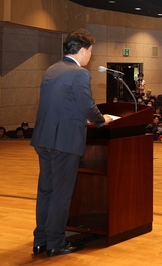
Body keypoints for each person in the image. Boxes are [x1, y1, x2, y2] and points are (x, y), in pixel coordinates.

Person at [31, 29, 113, 257]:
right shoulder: (79, 73)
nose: (91, 56)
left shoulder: (52, 69)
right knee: (61, 193)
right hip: (64, 140)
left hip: (44, 138)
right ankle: (56, 243)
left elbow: (61, 104)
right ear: (83, 50)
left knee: (46, 190)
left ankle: (41, 240)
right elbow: (87, 105)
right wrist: (100, 120)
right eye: (91, 51)